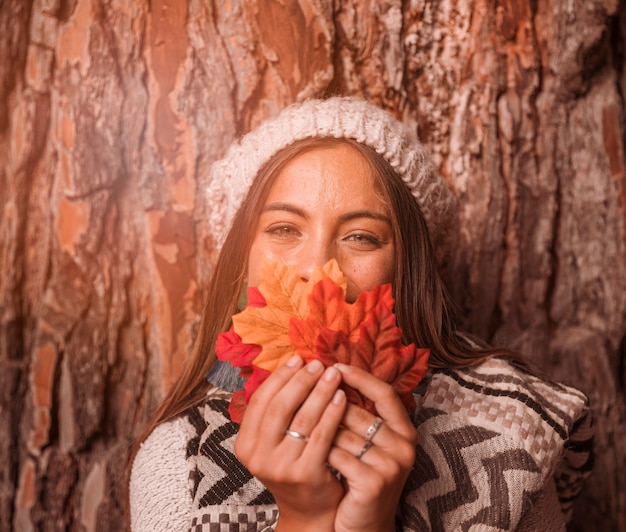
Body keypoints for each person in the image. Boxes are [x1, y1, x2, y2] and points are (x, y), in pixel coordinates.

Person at [128, 97, 593, 531]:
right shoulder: (177, 459)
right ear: (241, 258)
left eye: (361, 237)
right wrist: (306, 520)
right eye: (285, 228)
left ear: (406, 267)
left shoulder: (512, 434)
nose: (316, 270)